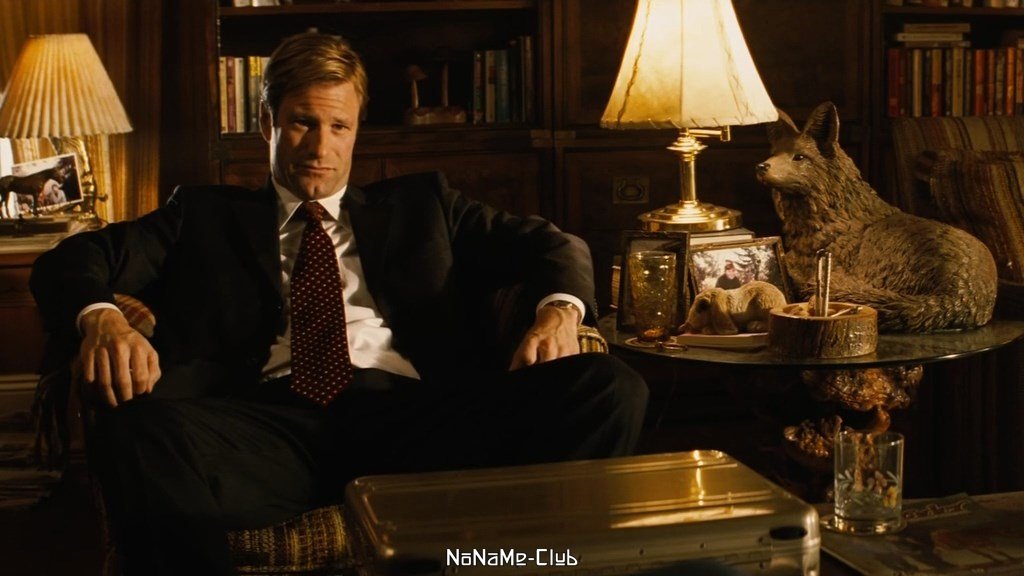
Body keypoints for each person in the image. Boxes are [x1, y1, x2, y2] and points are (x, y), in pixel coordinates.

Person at [29, 32, 648, 575]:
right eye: (302, 123)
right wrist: (102, 319)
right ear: (268, 124)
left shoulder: (424, 206)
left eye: (339, 126)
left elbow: (554, 245)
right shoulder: (201, 216)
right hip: (263, 430)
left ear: (357, 130)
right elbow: (73, 260)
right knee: (134, 430)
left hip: (418, 422)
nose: (319, 147)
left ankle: (507, 566)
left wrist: (559, 311)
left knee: (608, 386)